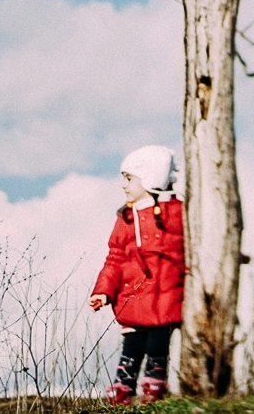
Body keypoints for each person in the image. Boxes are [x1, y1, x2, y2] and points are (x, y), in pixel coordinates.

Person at [89, 144, 186, 404]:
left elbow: (188, 251)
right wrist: (103, 291)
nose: (124, 185)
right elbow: (115, 258)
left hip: (166, 295)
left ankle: (154, 389)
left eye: (129, 178)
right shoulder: (126, 217)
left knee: (157, 345)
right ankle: (124, 388)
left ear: (151, 177)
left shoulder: (177, 212)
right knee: (131, 343)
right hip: (133, 295)